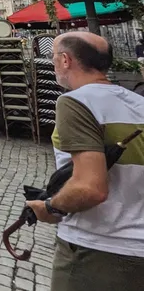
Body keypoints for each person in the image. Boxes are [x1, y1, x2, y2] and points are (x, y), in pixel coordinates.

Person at [25, 32, 144, 288]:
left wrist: (50, 207)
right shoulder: (138, 102)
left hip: (98, 246)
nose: (53, 63)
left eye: (53, 57)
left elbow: (90, 189)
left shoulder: (75, 102)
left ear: (65, 60)